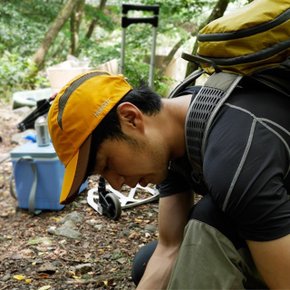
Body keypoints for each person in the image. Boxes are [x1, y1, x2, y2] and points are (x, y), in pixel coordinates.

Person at [48, 70, 290, 289]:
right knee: (147, 264)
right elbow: (168, 247)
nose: (117, 183)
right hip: (270, 225)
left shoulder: (235, 160)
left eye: (108, 165)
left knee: (209, 226)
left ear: (131, 118)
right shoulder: (174, 137)